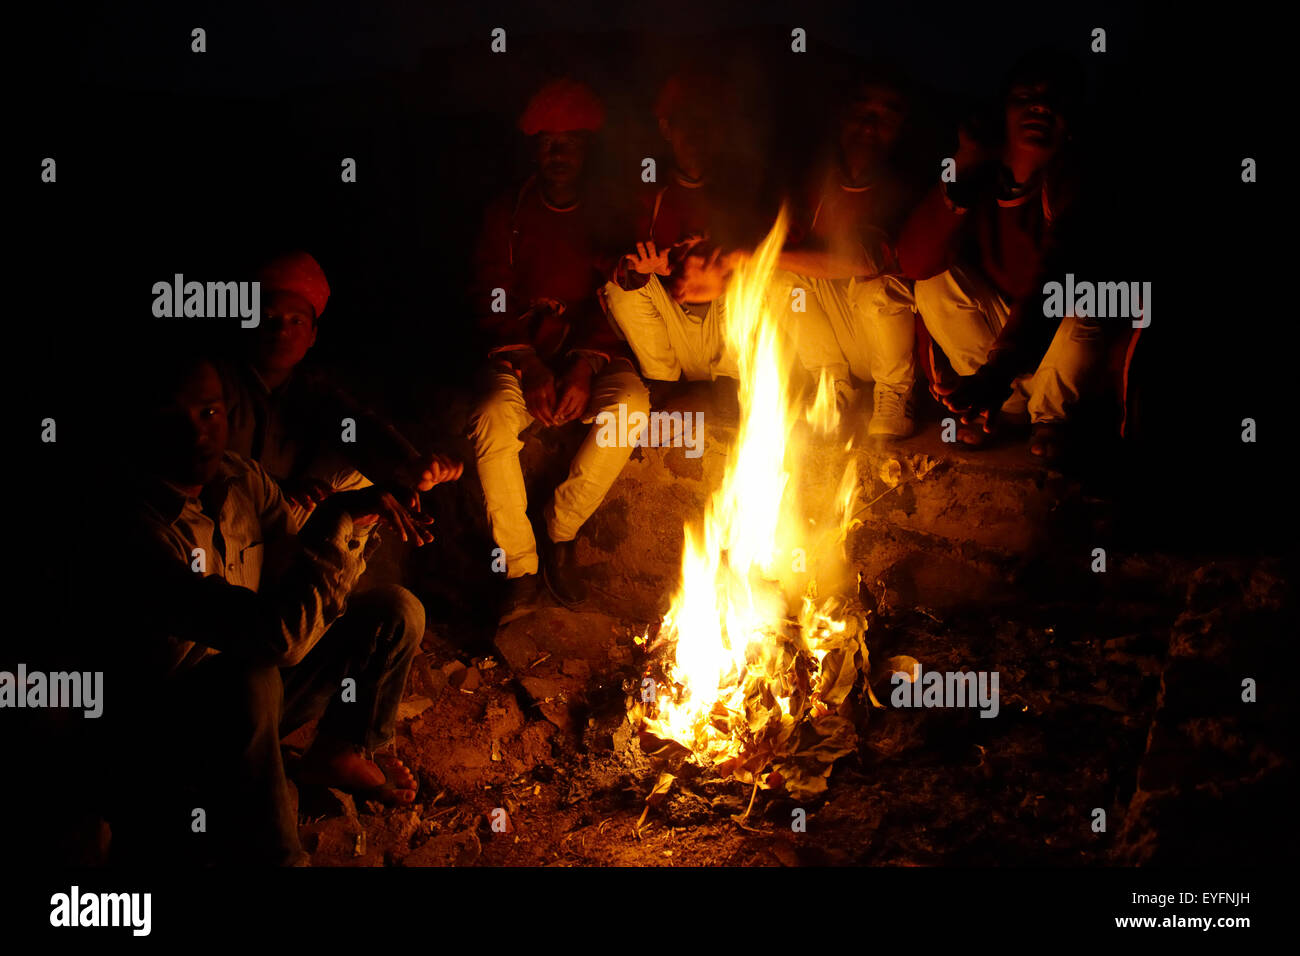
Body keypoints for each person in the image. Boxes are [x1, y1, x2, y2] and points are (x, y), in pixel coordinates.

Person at [114, 352, 427, 865]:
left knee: (396, 610)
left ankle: (340, 749)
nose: (199, 432)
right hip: (173, 731)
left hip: (264, 697)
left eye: (210, 413)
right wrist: (335, 516)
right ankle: (279, 857)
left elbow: (307, 572)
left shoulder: (239, 481)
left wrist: (359, 522)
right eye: (175, 417)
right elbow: (281, 639)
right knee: (251, 679)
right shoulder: (137, 531)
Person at [468, 79, 649, 622]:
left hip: (586, 358)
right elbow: (488, 293)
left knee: (631, 406)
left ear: (588, 148)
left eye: (569, 142)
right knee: (490, 420)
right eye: (547, 142)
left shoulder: (609, 214)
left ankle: (561, 529)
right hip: (519, 355)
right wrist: (528, 364)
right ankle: (521, 566)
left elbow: (619, 299)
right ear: (533, 149)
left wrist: (584, 365)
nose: (558, 154)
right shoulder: (509, 214)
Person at [898, 50, 1105, 460]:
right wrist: (964, 161)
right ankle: (1006, 408)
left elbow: (1055, 278)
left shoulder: (1076, 184)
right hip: (998, 344)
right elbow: (913, 261)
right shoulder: (981, 176)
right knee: (934, 283)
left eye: (1054, 98)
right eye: (1025, 96)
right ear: (1004, 110)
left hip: (1052, 339)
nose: (1039, 106)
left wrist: (997, 372)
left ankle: (1051, 415)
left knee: (1089, 296)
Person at [223, 250, 461, 529]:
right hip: (219, 523)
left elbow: (356, 426)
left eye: (296, 321)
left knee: (361, 470)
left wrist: (413, 466)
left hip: (277, 519)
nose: (282, 332)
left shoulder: (308, 389)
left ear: (313, 335)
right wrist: (280, 489)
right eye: (269, 319)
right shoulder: (216, 383)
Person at [771, 64, 923, 440]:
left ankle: (896, 391)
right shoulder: (814, 179)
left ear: (904, 127)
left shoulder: (906, 188)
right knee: (778, 280)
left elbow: (864, 259)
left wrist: (754, 257)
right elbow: (789, 243)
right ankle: (830, 383)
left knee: (878, 285)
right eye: (862, 111)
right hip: (837, 328)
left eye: (887, 116)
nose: (870, 126)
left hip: (885, 336)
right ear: (841, 115)